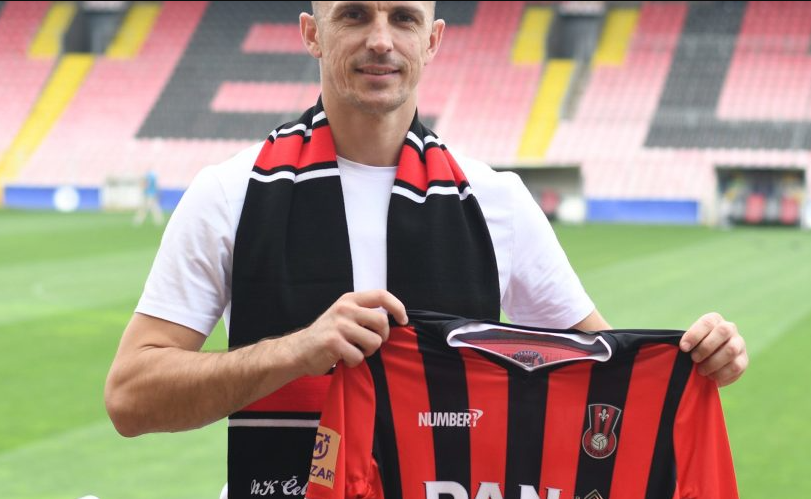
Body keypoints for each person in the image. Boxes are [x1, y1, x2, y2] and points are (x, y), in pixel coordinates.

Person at [104, 2, 748, 498]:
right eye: (354, 15)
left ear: (433, 40)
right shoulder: (230, 193)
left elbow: (610, 382)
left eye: (404, 19)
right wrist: (298, 351)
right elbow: (130, 399)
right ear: (311, 34)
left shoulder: (498, 202)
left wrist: (701, 357)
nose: (380, 39)